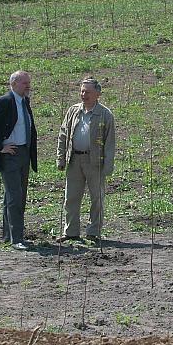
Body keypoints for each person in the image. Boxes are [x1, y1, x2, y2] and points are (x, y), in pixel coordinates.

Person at [56, 78, 116, 244]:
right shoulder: (73, 111)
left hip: (95, 162)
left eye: (87, 92)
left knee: (97, 198)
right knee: (71, 197)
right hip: (74, 159)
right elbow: (63, 134)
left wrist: (108, 166)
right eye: (82, 91)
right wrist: (61, 158)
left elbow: (110, 142)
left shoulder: (105, 115)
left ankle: (93, 232)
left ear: (98, 94)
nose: (84, 95)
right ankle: (71, 232)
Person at [0, 70, 38, 250]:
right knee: (15, 196)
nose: (28, 86)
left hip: (24, 153)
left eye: (28, 82)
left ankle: (9, 235)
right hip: (10, 154)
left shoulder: (25, 101)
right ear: (13, 84)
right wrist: (0, 146)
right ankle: (17, 239)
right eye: (24, 83)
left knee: (15, 195)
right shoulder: (5, 101)